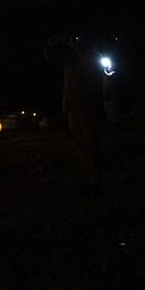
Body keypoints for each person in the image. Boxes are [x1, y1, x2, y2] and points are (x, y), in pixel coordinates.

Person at [49, 34, 107, 187]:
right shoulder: (73, 58)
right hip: (75, 105)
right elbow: (53, 59)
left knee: (89, 141)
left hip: (84, 104)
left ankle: (95, 176)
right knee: (82, 142)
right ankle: (90, 174)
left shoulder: (83, 57)